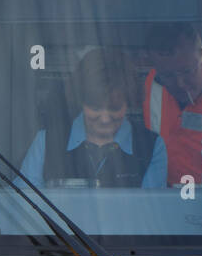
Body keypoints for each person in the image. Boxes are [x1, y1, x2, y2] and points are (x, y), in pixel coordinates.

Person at [19, 47, 167, 189]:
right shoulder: (46, 142)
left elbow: (149, 208)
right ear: (80, 101)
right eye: (95, 108)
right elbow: (25, 203)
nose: (104, 118)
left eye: (114, 108)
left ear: (129, 101)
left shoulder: (151, 147)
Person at [142, 23, 202, 186]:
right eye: (167, 75)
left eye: (187, 71)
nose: (180, 84)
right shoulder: (151, 83)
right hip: (162, 194)